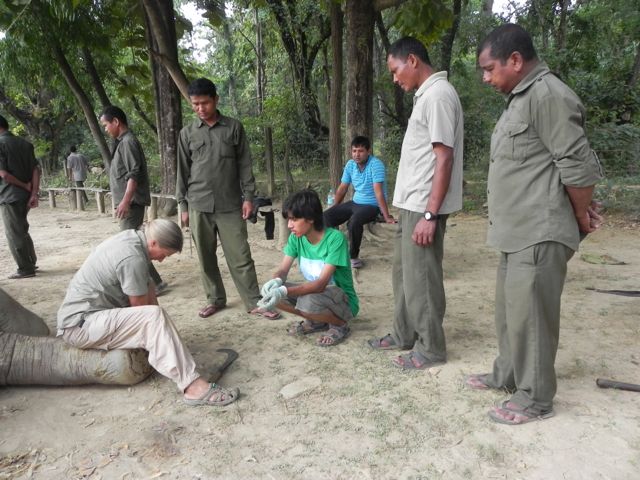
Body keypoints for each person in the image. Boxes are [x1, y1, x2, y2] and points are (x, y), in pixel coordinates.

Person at [467, 24, 604, 425]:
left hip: (540, 228)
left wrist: (580, 215)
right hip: (516, 230)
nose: (486, 78)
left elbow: (577, 168)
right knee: (512, 313)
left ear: (515, 60)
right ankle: (507, 375)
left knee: (533, 317)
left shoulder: (548, 95)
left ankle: (535, 397)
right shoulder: (519, 100)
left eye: (489, 69)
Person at [56, 219, 239, 406]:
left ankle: (171, 355)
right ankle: (192, 387)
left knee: (150, 289)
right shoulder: (132, 258)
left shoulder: (134, 241)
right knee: (152, 317)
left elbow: (147, 297)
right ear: (153, 243)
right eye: (164, 254)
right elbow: (141, 311)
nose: (161, 259)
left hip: (93, 317)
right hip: (80, 325)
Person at [367, 37, 464, 370]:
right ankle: (403, 332)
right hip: (411, 206)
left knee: (421, 277)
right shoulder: (426, 96)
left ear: (412, 60)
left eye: (395, 71)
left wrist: (429, 214)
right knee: (403, 274)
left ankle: (431, 347)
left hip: (424, 208)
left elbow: (444, 158)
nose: (395, 79)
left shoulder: (438, 96)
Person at [176, 77, 278, 319]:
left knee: (241, 255)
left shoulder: (233, 128)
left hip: (231, 204)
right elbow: (182, 170)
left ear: (216, 100)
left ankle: (254, 301)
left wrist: (249, 198)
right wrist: (183, 205)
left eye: (205, 103)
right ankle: (215, 299)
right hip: (198, 204)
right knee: (205, 257)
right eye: (195, 104)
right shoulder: (187, 133)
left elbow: (245, 165)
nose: (200, 109)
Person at [259, 189, 358, 346]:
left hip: (342, 301)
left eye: (294, 219)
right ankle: (316, 321)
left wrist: (284, 290)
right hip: (318, 297)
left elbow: (320, 285)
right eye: (288, 220)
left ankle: (339, 324)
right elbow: (283, 270)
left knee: (307, 301)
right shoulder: (296, 238)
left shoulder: (335, 239)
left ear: (311, 218)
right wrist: (276, 281)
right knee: (271, 295)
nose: (289, 225)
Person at [99, 106, 167, 295]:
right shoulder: (122, 143)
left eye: (106, 125)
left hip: (132, 203)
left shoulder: (128, 143)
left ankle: (154, 282)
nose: (105, 129)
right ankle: (155, 281)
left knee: (130, 244)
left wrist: (125, 201)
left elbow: (133, 175)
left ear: (116, 122)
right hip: (130, 202)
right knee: (133, 242)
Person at [323, 135, 396, 269]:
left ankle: (353, 257)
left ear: (369, 151)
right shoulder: (350, 165)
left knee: (354, 222)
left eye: (361, 151)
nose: (357, 154)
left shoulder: (376, 165)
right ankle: (332, 250)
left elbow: (378, 192)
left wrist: (386, 216)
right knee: (326, 217)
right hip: (355, 202)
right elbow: (343, 188)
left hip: (372, 205)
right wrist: (335, 207)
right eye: (354, 151)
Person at [0, 114, 40, 279]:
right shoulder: (25, 144)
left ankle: (25, 269)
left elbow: (3, 174)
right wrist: (33, 192)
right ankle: (31, 262)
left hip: (9, 195)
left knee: (14, 233)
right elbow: (35, 170)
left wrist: (23, 185)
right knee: (22, 229)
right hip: (25, 196)